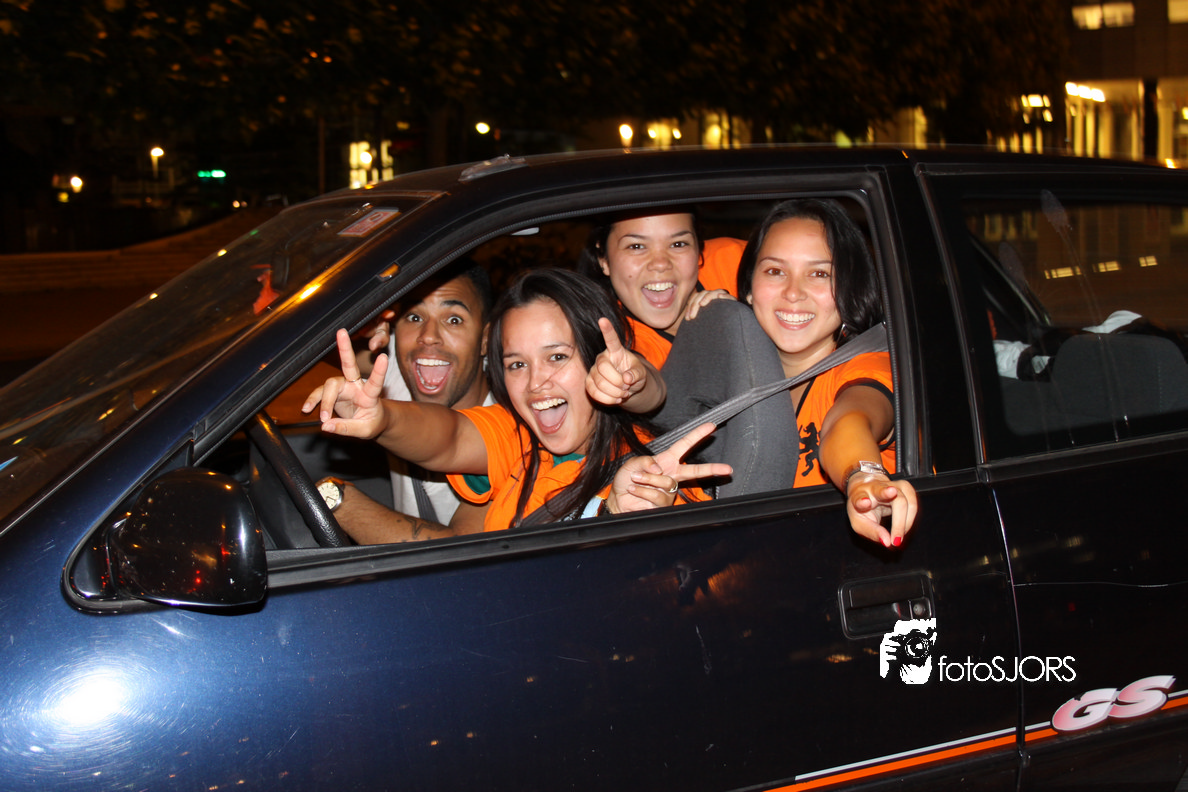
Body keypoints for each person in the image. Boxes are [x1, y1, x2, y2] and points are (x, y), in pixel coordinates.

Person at [303, 268, 730, 532]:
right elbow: (448, 437)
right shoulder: (519, 437)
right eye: (517, 364)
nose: (535, 384)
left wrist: (617, 518)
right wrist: (381, 419)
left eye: (557, 357)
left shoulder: (655, 474)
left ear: (599, 360)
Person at [657, 199, 917, 547]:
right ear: (749, 288)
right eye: (775, 272)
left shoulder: (867, 368)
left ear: (851, 288)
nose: (793, 293)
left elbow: (849, 422)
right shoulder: (735, 373)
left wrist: (863, 477)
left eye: (820, 274)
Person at [318, 263, 495, 543]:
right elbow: (312, 338)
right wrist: (362, 320)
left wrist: (337, 500)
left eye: (454, 320)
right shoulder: (398, 373)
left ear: (485, 339)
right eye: (414, 317)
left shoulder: (514, 426)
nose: (428, 336)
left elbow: (458, 550)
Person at [578, 210, 746, 368]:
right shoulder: (620, 342)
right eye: (636, 247)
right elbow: (643, 378)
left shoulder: (738, 263)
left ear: (698, 249)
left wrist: (746, 316)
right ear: (604, 259)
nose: (660, 263)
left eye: (678, 244)